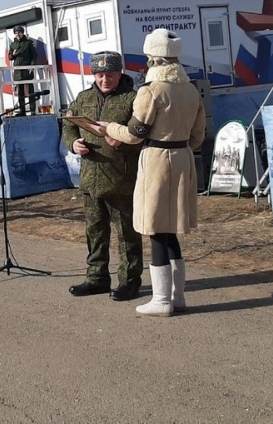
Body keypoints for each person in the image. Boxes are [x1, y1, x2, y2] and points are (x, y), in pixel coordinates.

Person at [101, 29, 206, 317]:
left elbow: (135, 133)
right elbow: (198, 137)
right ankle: (178, 295)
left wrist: (108, 128)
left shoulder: (150, 90)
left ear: (153, 58)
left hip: (158, 159)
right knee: (171, 230)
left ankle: (161, 300)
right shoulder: (190, 90)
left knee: (156, 228)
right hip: (183, 156)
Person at [61, 51, 143, 300]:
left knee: (127, 234)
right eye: (99, 74)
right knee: (95, 232)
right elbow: (68, 125)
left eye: (109, 74)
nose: (104, 79)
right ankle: (96, 278)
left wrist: (124, 143)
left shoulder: (133, 99)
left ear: (120, 73)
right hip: (90, 178)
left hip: (122, 179)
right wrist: (73, 143)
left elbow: (144, 133)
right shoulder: (83, 98)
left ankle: (129, 281)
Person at [9, 25, 38, 116]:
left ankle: (33, 110)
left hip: (27, 69)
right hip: (17, 71)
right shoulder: (12, 45)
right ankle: (22, 110)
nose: (18, 34)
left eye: (19, 32)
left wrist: (32, 66)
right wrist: (13, 55)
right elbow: (10, 57)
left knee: (30, 90)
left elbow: (34, 55)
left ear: (22, 33)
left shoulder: (28, 43)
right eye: (16, 33)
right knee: (20, 91)